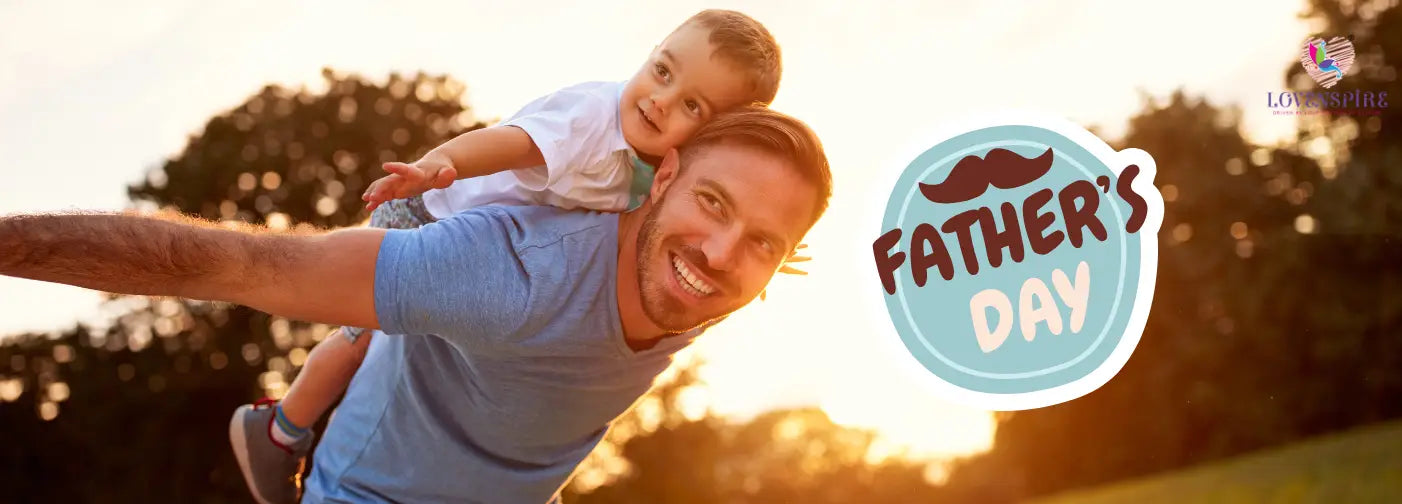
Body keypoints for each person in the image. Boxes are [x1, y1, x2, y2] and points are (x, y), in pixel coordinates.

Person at [0, 105, 833, 503]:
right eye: (714, 206)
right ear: (670, 175)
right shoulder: (506, 275)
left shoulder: (707, 280)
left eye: (764, 242)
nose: (721, 255)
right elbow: (235, 263)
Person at [231, 8, 796, 502]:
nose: (659, 100)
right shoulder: (591, 121)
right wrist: (435, 167)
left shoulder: (661, 169)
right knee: (359, 339)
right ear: (650, 54)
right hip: (432, 213)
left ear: (714, 134)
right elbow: (510, 142)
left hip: (491, 245)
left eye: (692, 104)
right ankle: (281, 429)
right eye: (663, 71)